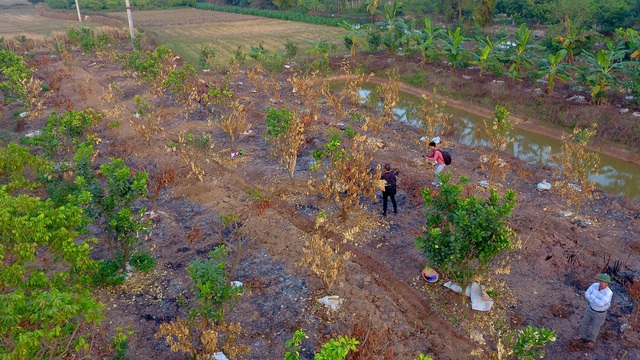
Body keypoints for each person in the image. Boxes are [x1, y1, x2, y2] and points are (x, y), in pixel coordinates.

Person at [577, 273, 613, 348]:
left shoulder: (609, 293)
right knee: (585, 323)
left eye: (605, 282)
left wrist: (592, 297)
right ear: (599, 281)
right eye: (602, 281)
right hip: (590, 308)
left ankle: (592, 340)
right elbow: (586, 294)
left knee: (595, 327)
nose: (603, 284)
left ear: (608, 283)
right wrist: (595, 300)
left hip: (600, 313)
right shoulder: (594, 285)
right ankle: (581, 335)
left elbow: (600, 304)